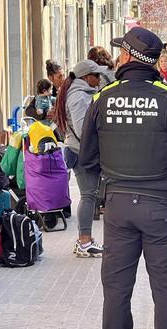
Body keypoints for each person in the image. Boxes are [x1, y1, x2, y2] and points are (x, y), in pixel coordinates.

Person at [79, 27, 167, 329]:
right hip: (162, 207)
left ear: (127, 57)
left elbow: (86, 158)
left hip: (118, 206)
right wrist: (165, 169)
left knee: (117, 289)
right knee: (165, 291)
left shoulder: (102, 98)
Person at [54, 59, 107, 258]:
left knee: (90, 195)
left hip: (79, 150)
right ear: (87, 77)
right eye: (97, 75)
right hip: (81, 152)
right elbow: (82, 127)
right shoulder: (78, 96)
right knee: (88, 195)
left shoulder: (80, 92)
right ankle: (84, 241)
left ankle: (85, 239)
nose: (99, 79)